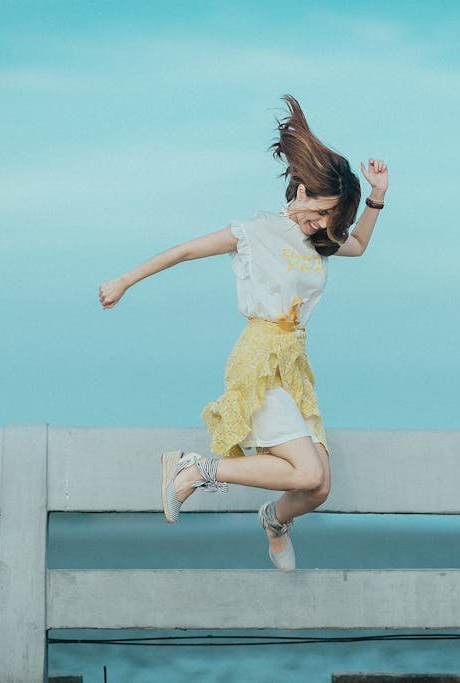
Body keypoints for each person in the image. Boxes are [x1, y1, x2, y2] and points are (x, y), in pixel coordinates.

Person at [98, 94, 388, 571]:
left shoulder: (319, 240)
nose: (323, 225)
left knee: (318, 486)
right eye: (321, 212)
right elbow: (186, 251)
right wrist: (125, 280)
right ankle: (197, 468)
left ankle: (274, 521)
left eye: (331, 218)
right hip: (258, 358)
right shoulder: (256, 232)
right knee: (307, 469)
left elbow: (357, 245)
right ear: (301, 191)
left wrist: (377, 196)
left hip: (293, 364)